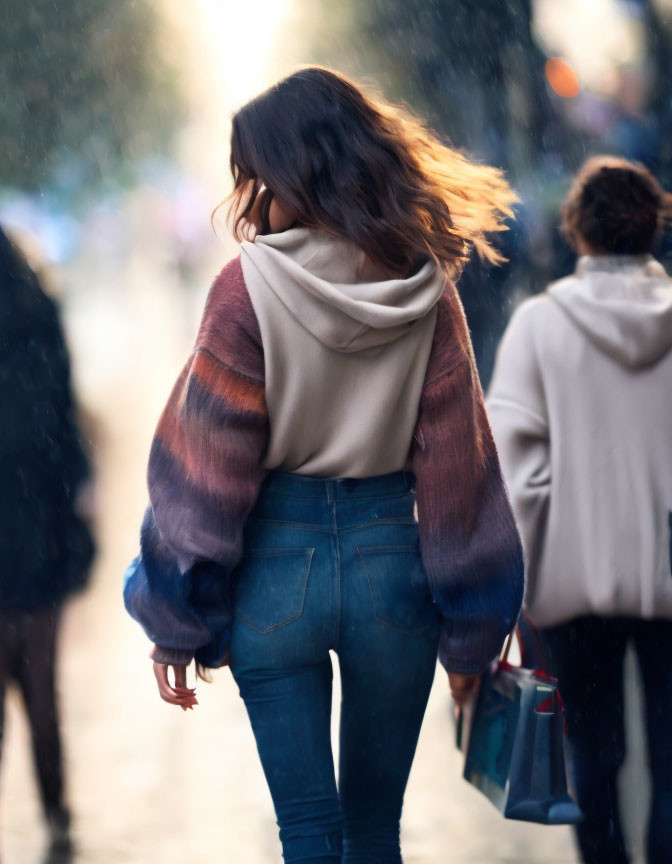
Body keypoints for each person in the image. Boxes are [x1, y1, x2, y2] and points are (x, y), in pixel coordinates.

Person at [124, 67, 524, 863]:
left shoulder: (245, 291)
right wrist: (475, 639)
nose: (248, 194)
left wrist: (176, 620)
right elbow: (459, 476)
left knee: (308, 832)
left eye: (254, 175)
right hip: (392, 570)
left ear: (289, 174)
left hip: (277, 572)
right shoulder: (426, 289)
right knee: (375, 832)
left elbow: (203, 478)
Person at [487, 156, 672, 864]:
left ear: (576, 232)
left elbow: (514, 470)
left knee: (593, 759)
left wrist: (522, 582)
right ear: (654, 228)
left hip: (573, 583)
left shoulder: (539, 324)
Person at [0, 227, 96, 857]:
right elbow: (65, 423)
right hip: (39, 529)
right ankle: (57, 812)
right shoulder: (40, 316)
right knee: (41, 685)